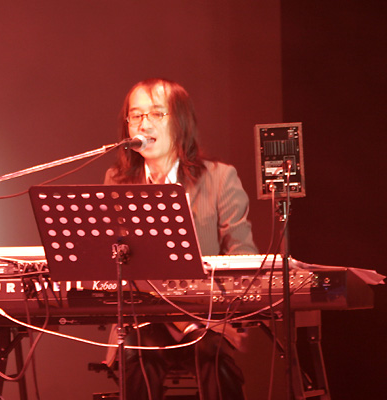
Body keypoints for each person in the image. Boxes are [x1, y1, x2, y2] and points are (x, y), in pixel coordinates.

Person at [104, 78, 258, 400]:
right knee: (137, 354)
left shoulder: (219, 177)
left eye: (157, 114)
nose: (144, 124)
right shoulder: (117, 181)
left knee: (212, 356)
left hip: (205, 318)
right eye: (136, 115)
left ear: (181, 122)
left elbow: (243, 253)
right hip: (145, 317)